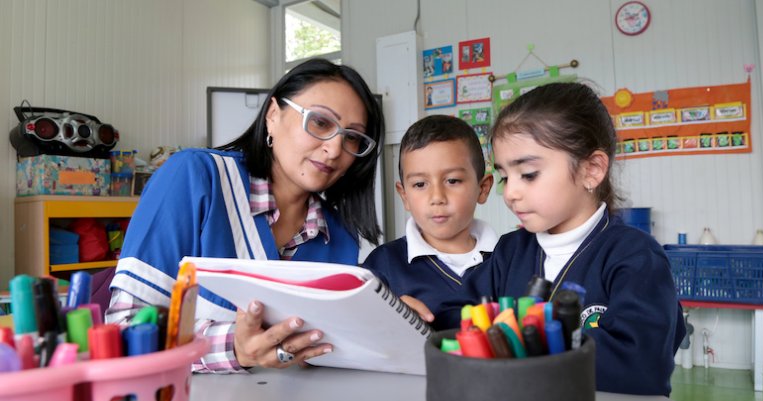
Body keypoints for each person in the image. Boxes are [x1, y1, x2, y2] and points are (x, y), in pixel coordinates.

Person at [105, 58, 384, 372]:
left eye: (352, 138)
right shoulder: (194, 178)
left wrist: (382, 325)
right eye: (320, 122)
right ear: (273, 116)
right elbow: (124, 333)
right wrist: (234, 348)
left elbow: (330, 353)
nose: (334, 149)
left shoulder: (341, 238)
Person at [467, 82, 684, 395]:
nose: (511, 192)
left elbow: (641, 363)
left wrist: (527, 345)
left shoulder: (635, 257)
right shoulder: (509, 251)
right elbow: (463, 314)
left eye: (528, 174)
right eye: (504, 176)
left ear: (591, 170)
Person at [362, 115, 496, 330]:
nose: (437, 197)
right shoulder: (383, 264)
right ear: (404, 195)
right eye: (420, 184)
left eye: (452, 181)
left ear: (483, 188)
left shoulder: (509, 259)